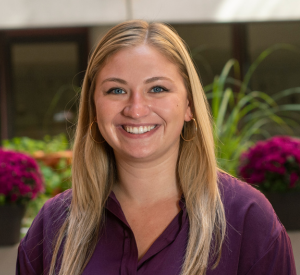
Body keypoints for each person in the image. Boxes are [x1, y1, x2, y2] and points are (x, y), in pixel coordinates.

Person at [16, 20, 296, 275]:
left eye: (158, 88)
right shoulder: (52, 225)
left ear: (188, 105)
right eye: (116, 90)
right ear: (93, 107)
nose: (136, 109)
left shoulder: (247, 218)